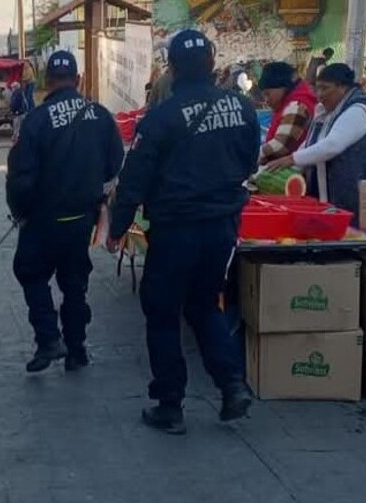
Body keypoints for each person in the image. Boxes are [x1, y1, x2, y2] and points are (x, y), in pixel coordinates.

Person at [107, 29, 260, 435]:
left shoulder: (161, 118)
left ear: (171, 70)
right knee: (205, 305)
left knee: (162, 311)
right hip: (223, 227)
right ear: (212, 64)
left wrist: (116, 227)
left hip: (176, 230)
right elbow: (249, 163)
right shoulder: (242, 107)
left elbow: (134, 179)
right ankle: (232, 387)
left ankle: (170, 406)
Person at [6, 51, 124, 374]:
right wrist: (97, 197)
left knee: (30, 272)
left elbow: (19, 178)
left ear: (46, 83)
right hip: (81, 220)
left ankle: (48, 338)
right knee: (74, 284)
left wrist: (20, 212)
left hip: (43, 220)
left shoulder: (36, 120)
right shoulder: (100, 116)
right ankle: (76, 350)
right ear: (79, 80)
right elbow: (116, 163)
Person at [267, 63, 366, 224]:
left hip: (361, 198)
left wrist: (292, 159)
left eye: (325, 89)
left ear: (342, 88)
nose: (319, 95)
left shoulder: (360, 109)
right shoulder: (324, 112)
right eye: (317, 89)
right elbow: (310, 145)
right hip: (330, 202)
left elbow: (332, 145)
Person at [257, 61, 317, 166]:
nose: (266, 100)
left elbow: (280, 146)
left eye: (268, 94)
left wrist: (253, 156)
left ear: (283, 88)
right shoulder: (290, 102)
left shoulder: (297, 106)